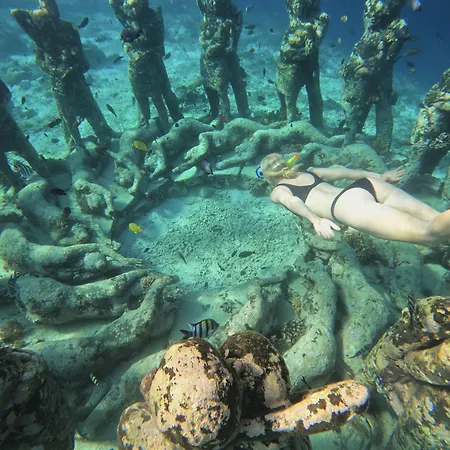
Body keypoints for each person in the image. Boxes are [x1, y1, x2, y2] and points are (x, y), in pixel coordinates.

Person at [260, 153, 450, 247]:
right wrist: (381, 176)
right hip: (368, 185)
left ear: (268, 176)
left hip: (348, 206)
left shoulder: (278, 191)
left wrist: (315, 220)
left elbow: (292, 202)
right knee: (436, 219)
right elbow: (346, 172)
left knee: (430, 234)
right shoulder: (311, 172)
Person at [12, 0, 118, 149]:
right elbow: (40, 60)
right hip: (58, 81)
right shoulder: (40, 36)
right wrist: (55, 71)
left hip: (75, 78)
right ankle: (75, 144)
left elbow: (80, 53)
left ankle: (105, 136)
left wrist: (75, 68)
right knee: (67, 114)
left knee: (90, 109)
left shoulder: (67, 28)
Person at [110, 0, 183, 129]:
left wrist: (133, 46)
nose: (132, 11)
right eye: (130, 7)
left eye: (135, 6)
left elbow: (154, 40)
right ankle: (145, 122)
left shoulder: (152, 16)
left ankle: (176, 117)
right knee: (140, 93)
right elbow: (117, 10)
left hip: (153, 60)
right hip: (138, 63)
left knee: (165, 91)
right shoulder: (131, 18)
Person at [197, 0, 250, 123]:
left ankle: (242, 113)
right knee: (208, 83)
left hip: (226, 56)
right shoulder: (208, 7)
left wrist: (216, 48)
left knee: (235, 84)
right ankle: (214, 112)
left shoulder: (234, 12)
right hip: (208, 56)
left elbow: (232, 42)